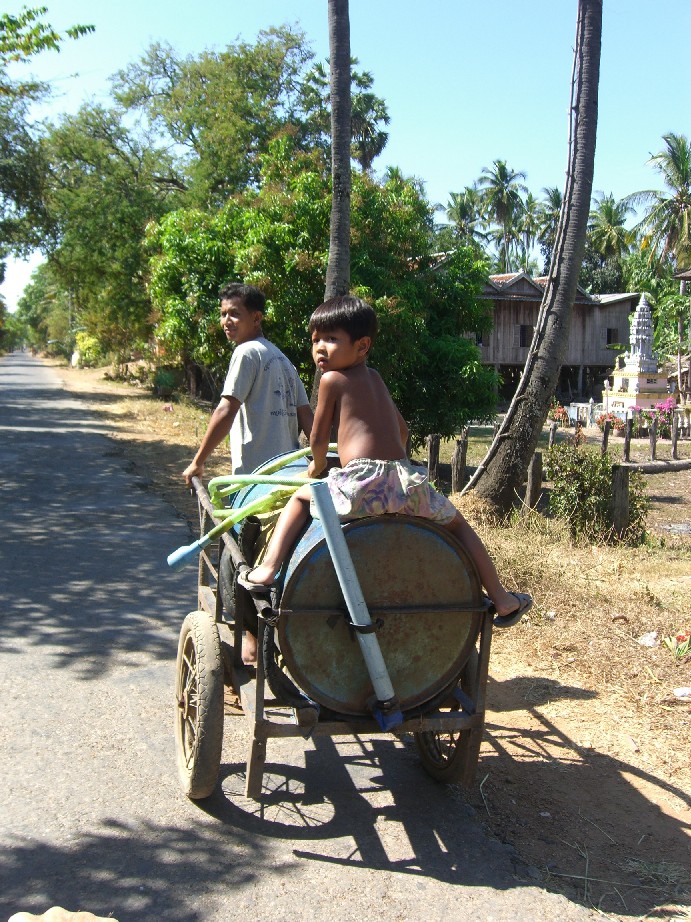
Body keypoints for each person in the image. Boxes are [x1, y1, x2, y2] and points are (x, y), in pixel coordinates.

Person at [238, 295, 532, 660]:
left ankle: (266, 570)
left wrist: (316, 469)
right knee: (458, 524)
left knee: (300, 499)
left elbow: (316, 437)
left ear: (362, 346)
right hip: (405, 480)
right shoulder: (375, 378)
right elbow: (403, 431)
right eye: (315, 340)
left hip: (363, 483)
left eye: (331, 339)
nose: (320, 349)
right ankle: (502, 598)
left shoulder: (331, 380)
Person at [183, 283, 313, 483]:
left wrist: (198, 461)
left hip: (257, 478)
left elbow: (226, 410)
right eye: (223, 314)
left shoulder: (247, 352)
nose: (227, 321)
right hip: (290, 474)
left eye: (234, 314)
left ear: (256, 318)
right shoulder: (283, 360)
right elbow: (307, 419)